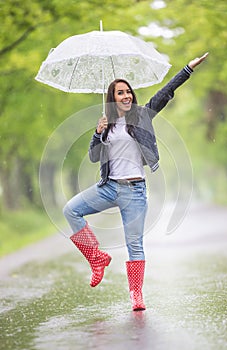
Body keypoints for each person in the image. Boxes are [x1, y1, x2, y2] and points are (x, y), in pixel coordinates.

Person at [63, 52, 208, 311]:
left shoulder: (141, 117)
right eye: (120, 92)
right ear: (112, 98)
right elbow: (94, 158)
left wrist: (188, 68)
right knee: (70, 210)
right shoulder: (105, 125)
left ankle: (136, 295)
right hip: (108, 188)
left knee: (135, 245)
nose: (126, 95)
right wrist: (97, 134)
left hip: (134, 191)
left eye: (128, 91)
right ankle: (96, 258)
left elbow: (165, 93)